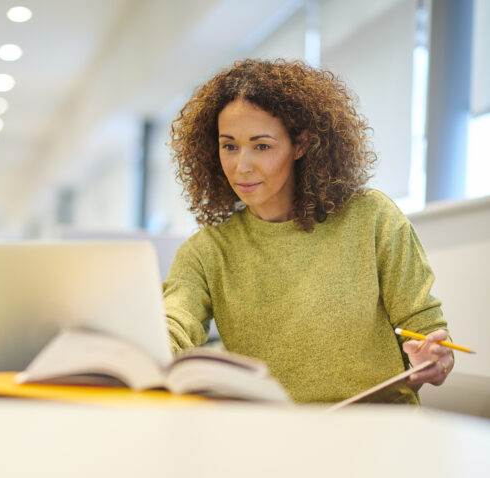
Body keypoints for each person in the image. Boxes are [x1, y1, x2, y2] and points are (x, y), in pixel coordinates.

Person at [165, 58, 453, 404]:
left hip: (379, 434)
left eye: (262, 146)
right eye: (229, 146)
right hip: (276, 438)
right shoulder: (206, 251)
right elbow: (174, 324)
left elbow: (425, 327)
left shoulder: (372, 218)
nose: (241, 166)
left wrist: (434, 355)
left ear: (300, 145)